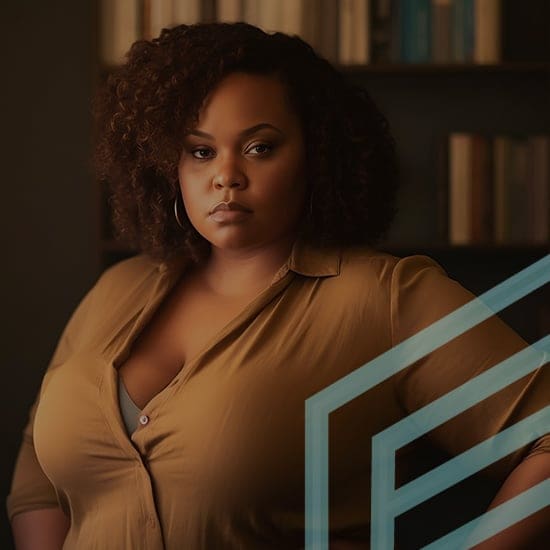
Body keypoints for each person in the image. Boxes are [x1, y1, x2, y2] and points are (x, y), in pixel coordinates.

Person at [6, 21, 549, 550]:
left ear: (317, 156)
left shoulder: (385, 298)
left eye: (260, 147)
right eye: (200, 151)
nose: (226, 176)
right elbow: (38, 472)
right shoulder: (117, 288)